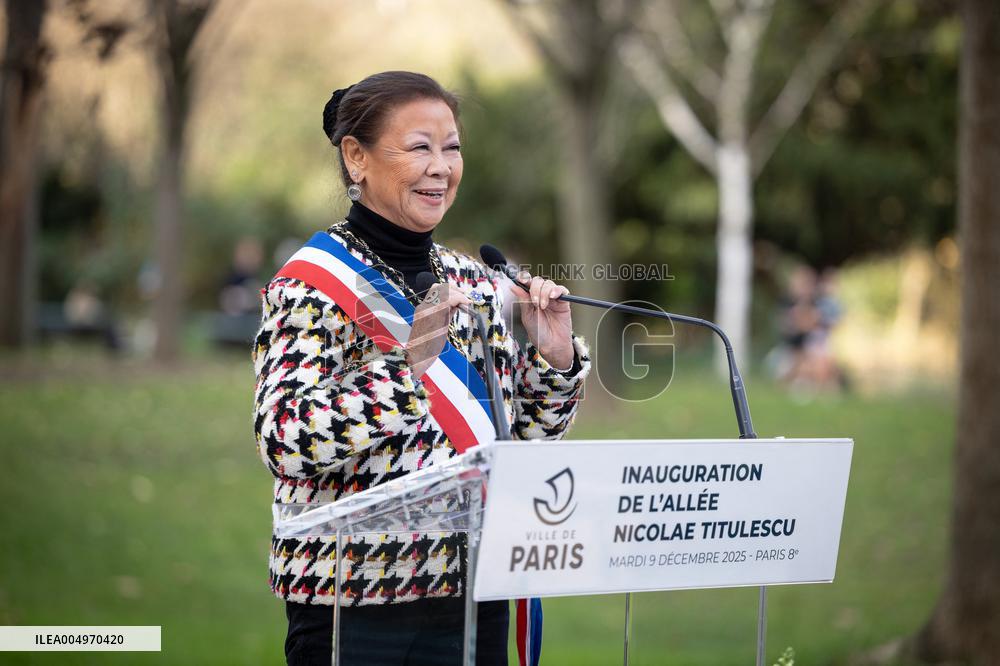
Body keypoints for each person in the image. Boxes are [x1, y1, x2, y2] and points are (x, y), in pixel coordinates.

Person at [251, 71, 591, 666]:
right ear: (356, 158)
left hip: (477, 592)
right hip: (357, 602)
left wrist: (554, 358)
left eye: (451, 147)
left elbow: (518, 441)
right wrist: (407, 370)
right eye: (419, 148)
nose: (441, 167)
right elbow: (284, 439)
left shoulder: (474, 281)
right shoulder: (312, 285)